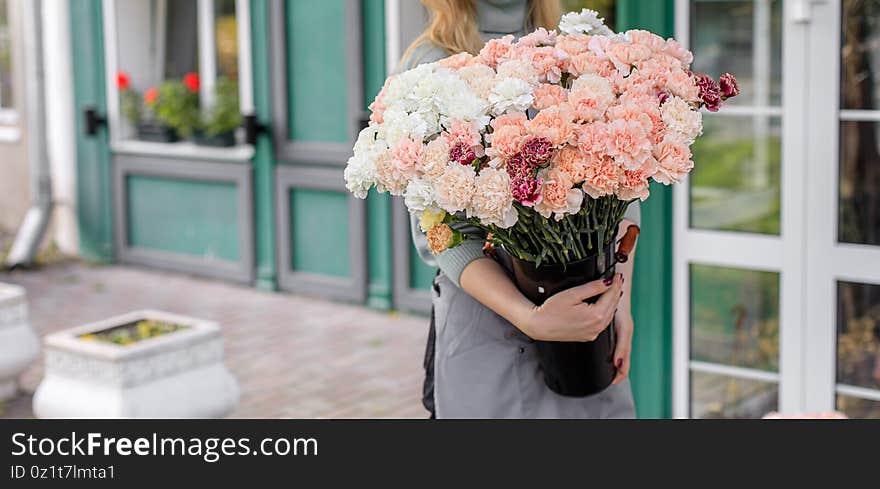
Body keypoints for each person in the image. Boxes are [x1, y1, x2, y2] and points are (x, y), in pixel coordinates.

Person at [397, 0, 640, 418]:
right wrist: (531, 318)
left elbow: (623, 189)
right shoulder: (429, 66)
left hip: (588, 321)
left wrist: (620, 306)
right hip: (487, 327)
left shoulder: (583, 48)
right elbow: (441, 234)